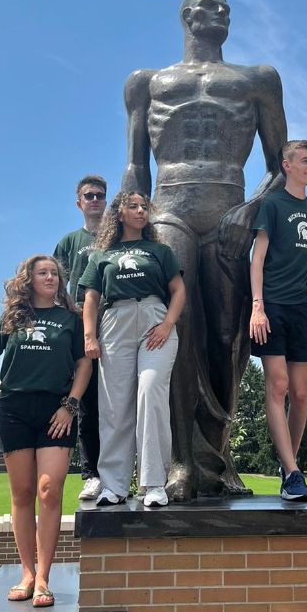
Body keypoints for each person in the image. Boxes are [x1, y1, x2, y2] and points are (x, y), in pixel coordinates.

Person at [122, 0, 288, 499]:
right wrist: (128, 235)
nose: (221, 13)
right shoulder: (147, 83)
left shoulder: (256, 80)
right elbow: (136, 164)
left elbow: (279, 165)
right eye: (210, 5)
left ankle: (217, 458)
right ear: (187, 16)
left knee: (226, 337)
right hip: (169, 208)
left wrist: (250, 209)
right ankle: (180, 462)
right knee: (177, 328)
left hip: (229, 210)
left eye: (227, 8)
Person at [0, 255, 91, 606]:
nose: (50, 277)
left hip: (56, 410)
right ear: (30, 279)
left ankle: (45, 578)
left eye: (54, 273)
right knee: (22, 494)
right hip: (15, 409)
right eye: (43, 273)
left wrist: (70, 405)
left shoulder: (71, 319)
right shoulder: (12, 319)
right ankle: (27, 573)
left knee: (49, 491)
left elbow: (84, 365)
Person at [80, 192, 186, 507]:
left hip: (155, 321)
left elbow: (179, 290)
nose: (141, 211)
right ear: (120, 213)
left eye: (144, 207)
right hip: (115, 323)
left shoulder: (160, 251)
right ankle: (113, 485)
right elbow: (90, 298)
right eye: (134, 206)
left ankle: (154, 484)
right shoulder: (102, 255)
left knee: (151, 392)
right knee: (114, 405)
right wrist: (90, 335)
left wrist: (168, 324)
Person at [249, 140, 307, 502]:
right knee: (277, 386)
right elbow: (257, 257)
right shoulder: (272, 204)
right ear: (287, 165)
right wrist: (257, 306)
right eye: (305, 160)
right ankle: (293, 471)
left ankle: (287, 465)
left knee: (301, 393)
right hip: (272, 305)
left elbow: (305, 256)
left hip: (301, 310)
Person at [53, 174, 108, 502]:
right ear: (79, 202)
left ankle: (122, 472)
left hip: (115, 325)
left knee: (120, 403)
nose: (95, 200)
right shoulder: (69, 242)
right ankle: (91, 473)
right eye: (89, 196)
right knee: (86, 405)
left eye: (100, 195)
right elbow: (57, 286)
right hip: (80, 331)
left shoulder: (118, 238)